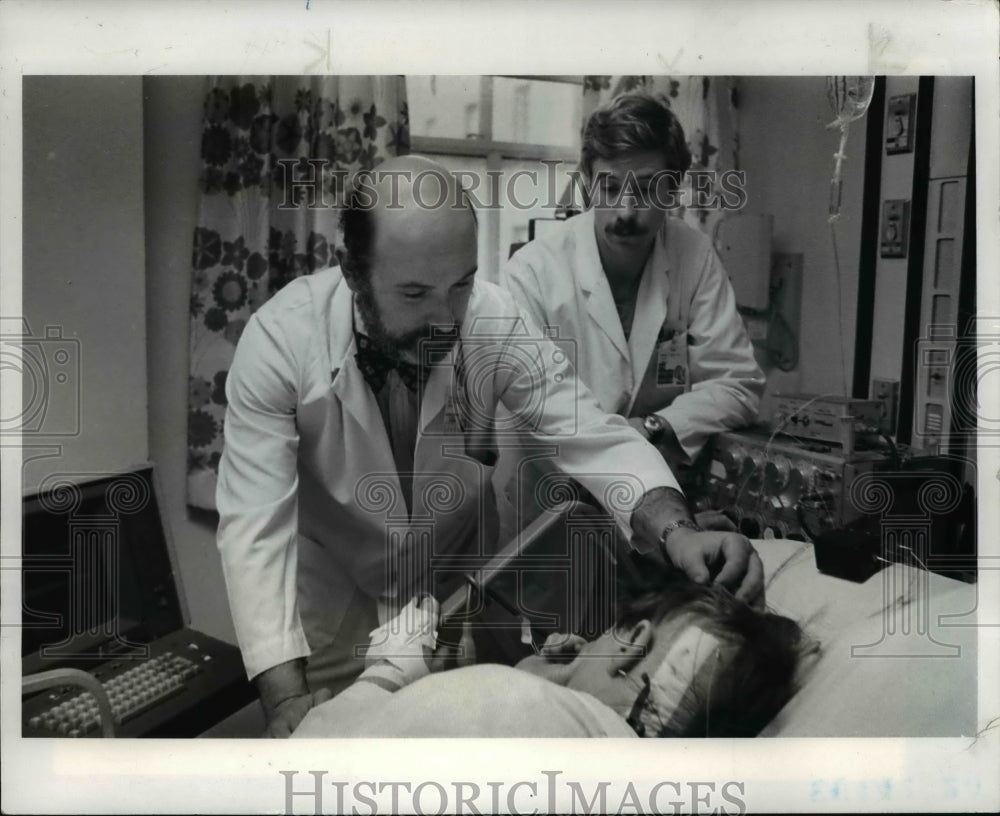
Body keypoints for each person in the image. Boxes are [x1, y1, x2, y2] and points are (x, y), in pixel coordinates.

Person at [216, 155, 764, 737]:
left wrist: (679, 531)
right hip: (335, 609)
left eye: (460, 285)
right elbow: (256, 526)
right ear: (352, 272)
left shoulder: (492, 322)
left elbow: (588, 432)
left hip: (453, 600)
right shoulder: (280, 342)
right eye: (414, 293)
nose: (446, 318)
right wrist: (283, 699)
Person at [499, 91, 765, 528]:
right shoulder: (532, 273)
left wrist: (656, 428)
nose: (626, 211)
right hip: (552, 511)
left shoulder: (692, 256)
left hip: (662, 505)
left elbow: (737, 384)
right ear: (586, 182)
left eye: (646, 190)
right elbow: (527, 413)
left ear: (675, 188)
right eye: (609, 187)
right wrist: (624, 445)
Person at [292, 568, 805, 738]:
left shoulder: (506, 698)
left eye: (607, 633)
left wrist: (388, 675)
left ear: (632, 644)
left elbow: (305, 764)